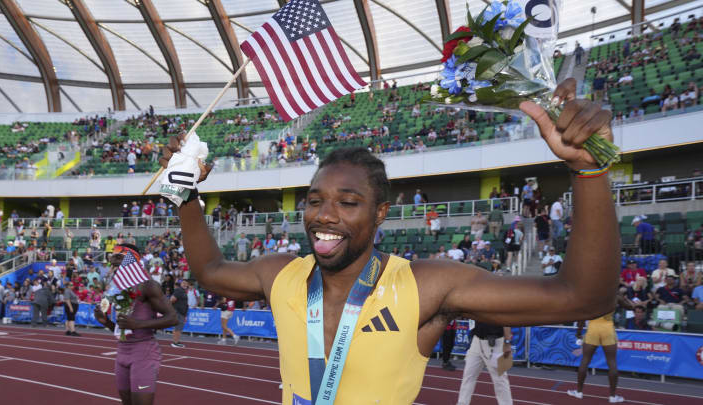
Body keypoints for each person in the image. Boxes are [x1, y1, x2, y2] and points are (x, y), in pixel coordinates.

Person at [158, 78, 621, 404]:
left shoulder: (425, 285)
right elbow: (210, 272)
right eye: (315, 199)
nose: (324, 214)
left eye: (347, 202)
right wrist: (184, 192)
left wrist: (589, 170)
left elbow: (583, 296)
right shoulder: (281, 273)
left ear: (380, 213)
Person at [93, 243, 179, 405]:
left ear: (133, 259)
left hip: (144, 353)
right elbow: (124, 327)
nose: (113, 258)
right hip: (122, 351)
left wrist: (137, 324)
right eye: (112, 255)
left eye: (119, 255)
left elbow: (173, 318)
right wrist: (107, 322)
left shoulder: (148, 285)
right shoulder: (117, 286)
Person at [567, 311, 625, 403]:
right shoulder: (613, 296)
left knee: (585, 360)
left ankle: (579, 392)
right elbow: (629, 306)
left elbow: (582, 317)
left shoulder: (592, 297)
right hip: (608, 329)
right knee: (612, 362)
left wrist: (578, 332)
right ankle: (612, 397)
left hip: (593, 329)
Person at [456, 321, 513, 405]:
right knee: (468, 375)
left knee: (500, 379)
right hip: (476, 341)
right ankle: (462, 403)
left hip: (496, 344)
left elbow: (506, 320)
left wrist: (507, 342)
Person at [170, 279, 189, 348]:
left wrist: (185, 315)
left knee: (179, 328)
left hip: (182, 313)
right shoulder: (179, 290)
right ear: (181, 284)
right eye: (183, 283)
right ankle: (175, 342)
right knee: (178, 328)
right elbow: (172, 299)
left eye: (186, 283)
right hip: (178, 312)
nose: (184, 284)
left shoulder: (184, 291)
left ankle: (176, 341)